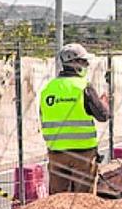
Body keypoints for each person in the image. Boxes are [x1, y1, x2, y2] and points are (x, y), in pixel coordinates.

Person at [40, 43, 111, 194]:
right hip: (83, 155)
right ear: (75, 63)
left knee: (58, 201)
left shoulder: (47, 89)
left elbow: (43, 117)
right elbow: (103, 116)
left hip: (56, 155)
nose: (86, 65)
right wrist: (104, 102)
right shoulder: (83, 87)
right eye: (84, 62)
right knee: (84, 203)